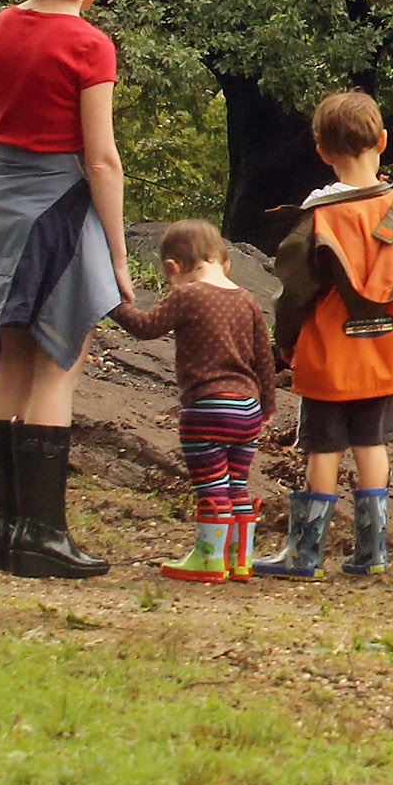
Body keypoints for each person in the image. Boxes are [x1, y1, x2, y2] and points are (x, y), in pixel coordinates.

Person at [0, 0, 134, 579]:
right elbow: (101, 159)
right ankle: (45, 534)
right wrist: (118, 257)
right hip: (60, 211)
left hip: (2, 202)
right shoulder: (89, 45)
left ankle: (6, 532)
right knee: (58, 363)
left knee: (12, 364)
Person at [254, 90, 393, 579]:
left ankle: (305, 554)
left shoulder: (317, 216)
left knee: (322, 449)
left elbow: (293, 292)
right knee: (372, 445)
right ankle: (372, 552)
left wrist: (286, 340)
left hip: (328, 352)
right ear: (384, 141)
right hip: (382, 351)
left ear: (322, 153)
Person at [109, 221, 273, 583]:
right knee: (237, 484)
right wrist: (267, 406)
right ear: (224, 262)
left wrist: (110, 302)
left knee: (211, 485)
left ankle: (209, 559)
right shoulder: (247, 300)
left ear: (173, 268)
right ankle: (240, 558)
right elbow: (264, 358)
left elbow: (145, 327)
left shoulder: (186, 295)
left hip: (206, 408)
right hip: (247, 410)